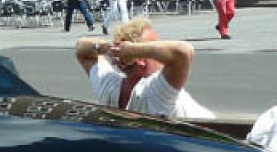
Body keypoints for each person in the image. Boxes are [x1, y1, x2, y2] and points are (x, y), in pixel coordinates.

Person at [76, 17, 213, 119]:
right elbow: (183, 51)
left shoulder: (109, 86)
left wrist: (109, 48)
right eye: (156, 47)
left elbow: (82, 50)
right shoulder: (155, 91)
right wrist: (130, 50)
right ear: (141, 60)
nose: (163, 52)